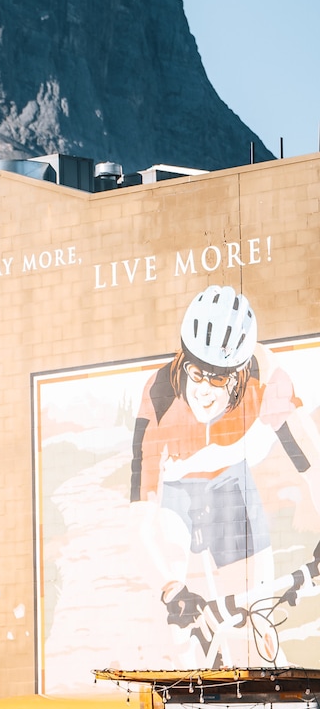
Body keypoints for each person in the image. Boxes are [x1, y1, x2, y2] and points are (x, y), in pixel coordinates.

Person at [130, 284, 320, 665]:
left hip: (230, 483)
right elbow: (140, 521)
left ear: (241, 373)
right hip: (175, 492)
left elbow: (313, 463)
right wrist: (172, 590)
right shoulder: (159, 396)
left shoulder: (267, 378)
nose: (204, 390)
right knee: (177, 623)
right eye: (196, 372)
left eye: (218, 378)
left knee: (259, 614)